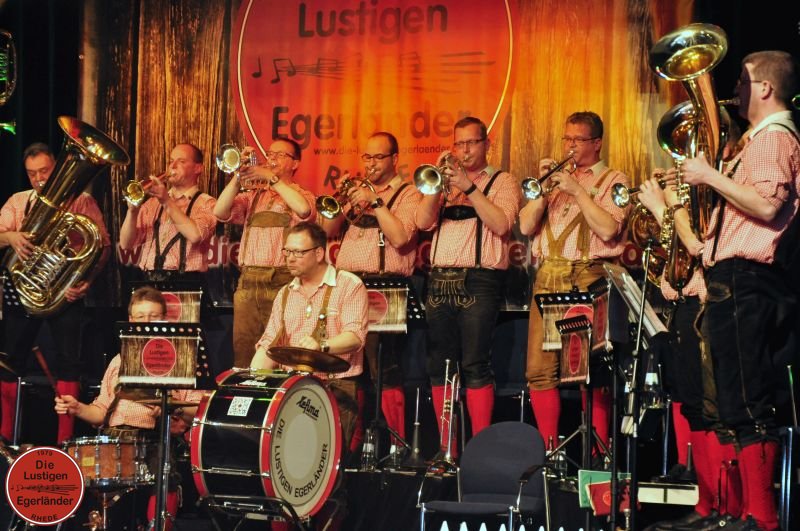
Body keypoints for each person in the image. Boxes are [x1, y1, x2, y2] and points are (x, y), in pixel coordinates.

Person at [638, 51, 800, 531]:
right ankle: (744, 513)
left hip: (750, 281)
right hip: (732, 279)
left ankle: (761, 519)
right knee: (732, 406)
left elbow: (767, 207)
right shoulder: (759, 140)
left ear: (766, 88)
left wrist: (708, 176)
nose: (736, 90)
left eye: (744, 83)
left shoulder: (773, 137)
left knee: (747, 405)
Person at [519, 111, 630, 457]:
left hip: (587, 276)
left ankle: (598, 455)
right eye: (566, 139)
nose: (570, 146)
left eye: (577, 140)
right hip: (548, 276)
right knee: (539, 372)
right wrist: (541, 193)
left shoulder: (615, 180)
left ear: (596, 143)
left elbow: (609, 229)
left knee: (587, 371)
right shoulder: (555, 182)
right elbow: (525, 227)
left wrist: (578, 190)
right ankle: (549, 454)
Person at [54, 286, 204, 530]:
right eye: (140, 317)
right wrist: (77, 407)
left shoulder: (181, 359)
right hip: (115, 440)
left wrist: (171, 409)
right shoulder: (119, 360)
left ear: (165, 319)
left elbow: (198, 412)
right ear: (131, 321)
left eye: (154, 316)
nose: (147, 322)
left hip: (155, 439)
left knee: (165, 479)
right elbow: (100, 412)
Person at [414, 116, 521, 452]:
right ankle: (447, 449)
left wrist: (469, 187)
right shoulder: (444, 183)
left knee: (475, 364)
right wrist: (436, 188)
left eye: (471, 143)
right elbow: (422, 222)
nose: (464, 150)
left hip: (480, 280)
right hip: (439, 280)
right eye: (458, 143)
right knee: (439, 367)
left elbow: (501, 224)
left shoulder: (503, 181)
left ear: (486, 144)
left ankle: (479, 449)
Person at [0, 142, 110, 444]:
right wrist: (11, 237)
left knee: (69, 363)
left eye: (45, 171)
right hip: (23, 292)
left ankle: (65, 440)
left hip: (65, 294)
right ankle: (4, 437)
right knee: (9, 362)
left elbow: (101, 246)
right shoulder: (18, 201)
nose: (39, 179)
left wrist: (88, 280)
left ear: (57, 168)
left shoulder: (82, 201)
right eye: (32, 173)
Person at [321, 131, 420, 459]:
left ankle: (397, 446)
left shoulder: (408, 193)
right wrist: (344, 199)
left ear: (394, 159)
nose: (371, 163)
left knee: (384, 369)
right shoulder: (356, 191)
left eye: (378, 157)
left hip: (385, 288)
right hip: (348, 286)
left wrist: (375, 201)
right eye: (367, 157)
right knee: (349, 367)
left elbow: (401, 237)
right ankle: (349, 445)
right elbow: (326, 230)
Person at [251, 221, 369, 453]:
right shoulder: (286, 293)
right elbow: (269, 344)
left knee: (328, 457)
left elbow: (355, 336)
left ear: (319, 253)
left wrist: (322, 345)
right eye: (287, 251)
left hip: (336, 387)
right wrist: (252, 379)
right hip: (293, 386)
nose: (290, 258)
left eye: (298, 252)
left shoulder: (348, 285)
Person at [214, 138, 315, 368]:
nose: (272, 158)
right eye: (270, 154)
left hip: (282, 281)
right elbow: (219, 211)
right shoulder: (253, 196)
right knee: (244, 350)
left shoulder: (301, 194)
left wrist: (272, 178)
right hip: (248, 282)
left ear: (295, 163)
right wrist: (238, 177)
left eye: (280, 155)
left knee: (280, 350)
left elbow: (303, 210)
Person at [119, 143, 216, 284]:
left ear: (198, 168)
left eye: (181, 161)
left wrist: (166, 201)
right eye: (171, 161)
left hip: (187, 283)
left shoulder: (207, 203)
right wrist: (132, 212)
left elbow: (195, 235)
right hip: (149, 281)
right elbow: (125, 244)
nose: (173, 166)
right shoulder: (152, 203)